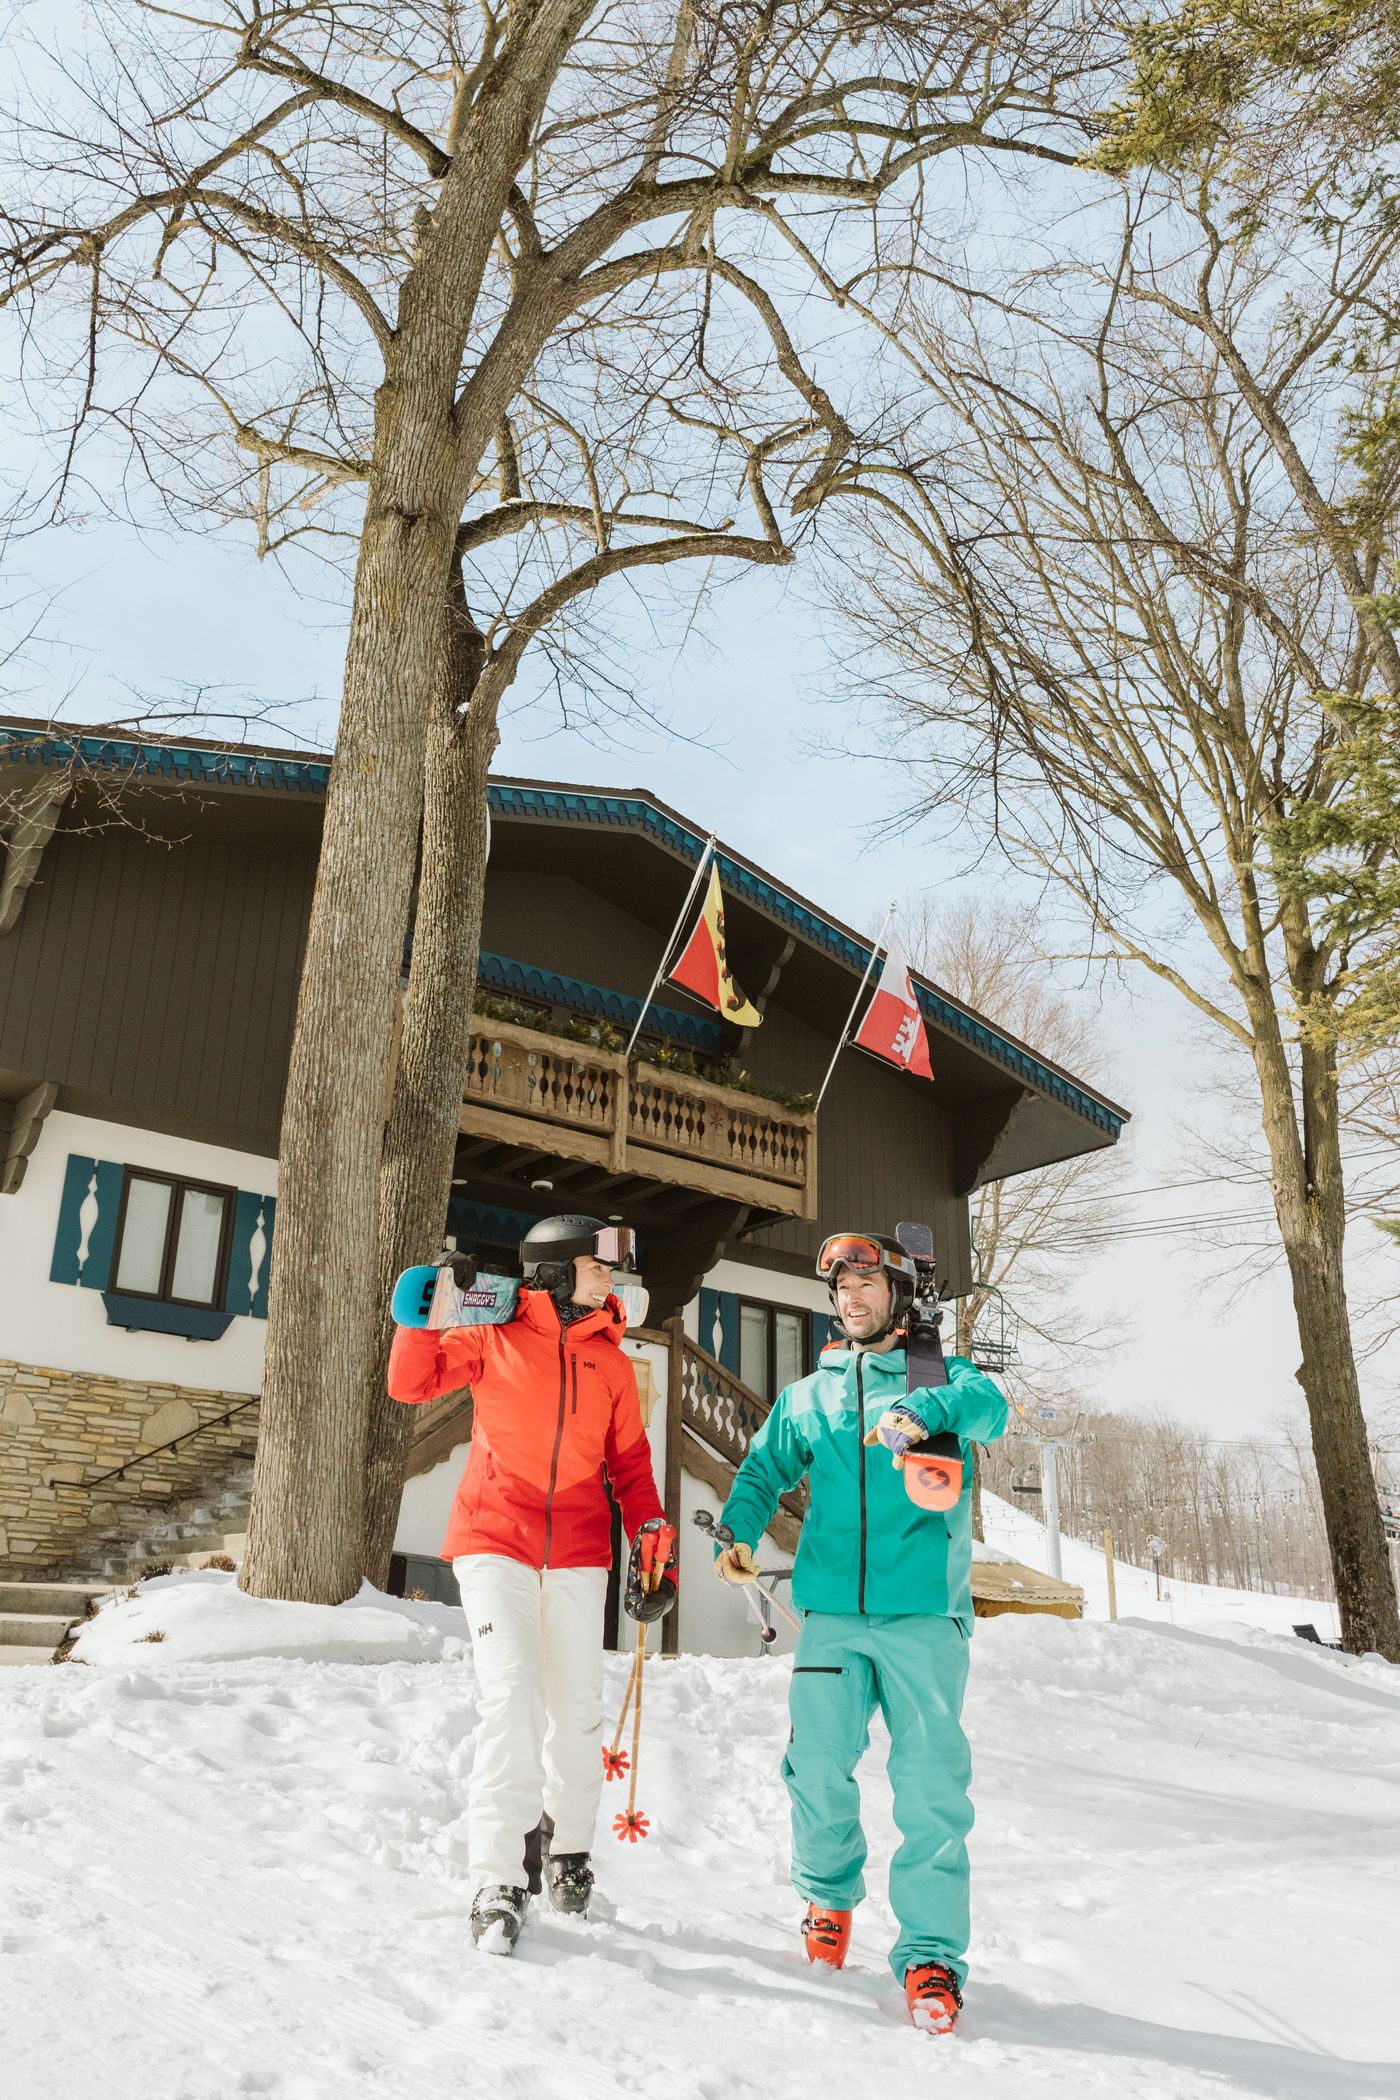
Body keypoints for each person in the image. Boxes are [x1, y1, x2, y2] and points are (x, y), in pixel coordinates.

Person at [714, 1231, 1007, 2035]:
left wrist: (926, 1407)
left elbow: (991, 1412)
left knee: (930, 1787)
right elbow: (763, 1470)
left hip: (924, 1616)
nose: (851, 1297)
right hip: (833, 1616)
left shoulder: (942, 1378)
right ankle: (828, 1899)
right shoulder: (809, 1396)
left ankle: (931, 1957)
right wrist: (736, 1532)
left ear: (900, 1296)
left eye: (867, 1285)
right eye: (841, 1287)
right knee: (815, 1766)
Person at [388, 1214, 676, 1953]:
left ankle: (568, 1848)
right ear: (556, 1269)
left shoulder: (611, 1362)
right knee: (512, 1696)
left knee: (576, 1711)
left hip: (579, 1548)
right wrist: (428, 1308)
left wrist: (653, 1539)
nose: (611, 1279)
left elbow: (631, 1468)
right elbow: (410, 1382)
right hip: (494, 1538)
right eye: (599, 1266)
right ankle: (498, 1878)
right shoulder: (493, 1334)